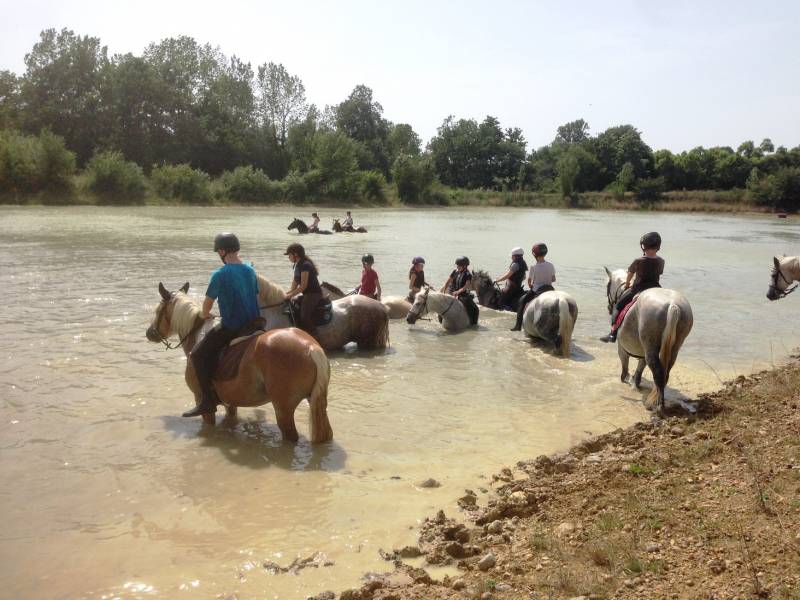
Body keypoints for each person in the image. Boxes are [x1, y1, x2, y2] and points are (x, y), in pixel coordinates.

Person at [183, 232, 260, 418]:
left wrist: (206, 314)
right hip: (255, 324)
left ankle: (207, 402)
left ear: (222, 251)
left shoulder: (220, 274)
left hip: (233, 326)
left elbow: (207, 304)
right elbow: (256, 297)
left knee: (197, 355)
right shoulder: (250, 270)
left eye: (218, 251)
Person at [601, 231, 665, 343]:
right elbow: (658, 273)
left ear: (643, 246)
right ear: (658, 246)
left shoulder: (638, 261)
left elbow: (630, 273)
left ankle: (613, 333)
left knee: (618, 307)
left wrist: (627, 284)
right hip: (656, 288)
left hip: (638, 288)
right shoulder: (661, 261)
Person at [511, 243, 556, 331]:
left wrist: (531, 285)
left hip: (537, 291)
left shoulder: (534, 267)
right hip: (550, 290)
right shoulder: (551, 265)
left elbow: (529, 281)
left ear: (534, 254)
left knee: (522, 301)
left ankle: (518, 326)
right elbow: (553, 279)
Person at [284, 243, 323, 336]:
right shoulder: (297, 266)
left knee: (304, 317)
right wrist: (284, 294)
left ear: (296, 254)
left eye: (289, 255)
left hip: (313, 294)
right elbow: (293, 287)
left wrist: (290, 296)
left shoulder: (305, 265)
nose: (288, 257)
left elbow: (303, 286)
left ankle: (316, 337)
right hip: (307, 294)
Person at [442, 256, 479, 324]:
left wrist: (458, 292)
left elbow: (466, 286)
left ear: (465, 266)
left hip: (463, 294)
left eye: (459, 266)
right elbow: (448, 281)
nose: (457, 267)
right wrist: (444, 291)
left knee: (475, 309)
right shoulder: (455, 271)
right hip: (452, 291)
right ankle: (440, 319)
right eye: (457, 265)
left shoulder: (468, 274)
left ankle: (473, 323)